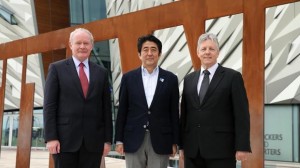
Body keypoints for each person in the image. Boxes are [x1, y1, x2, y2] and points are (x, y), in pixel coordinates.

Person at [43, 28, 112, 168]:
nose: (82, 46)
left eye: (86, 43)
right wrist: (51, 138)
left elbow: (106, 108)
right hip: (64, 142)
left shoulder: (102, 73)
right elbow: (50, 106)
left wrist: (107, 140)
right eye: (78, 43)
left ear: (91, 46)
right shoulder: (56, 69)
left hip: (93, 143)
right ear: (71, 45)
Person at [179, 33, 251, 168]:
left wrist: (242, 146)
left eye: (211, 49)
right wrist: (182, 145)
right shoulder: (189, 79)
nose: (207, 52)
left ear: (218, 53)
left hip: (222, 150)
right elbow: (185, 115)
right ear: (197, 53)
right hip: (193, 150)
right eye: (203, 49)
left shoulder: (232, 77)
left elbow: (241, 114)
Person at [115, 34, 179, 168]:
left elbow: (173, 113)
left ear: (159, 54)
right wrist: (119, 140)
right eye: (145, 49)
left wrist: (174, 142)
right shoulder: (128, 78)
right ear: (139, 54)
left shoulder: (170, 79)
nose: (149, 53)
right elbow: (122, 111)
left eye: (153, 49)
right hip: (133, 138)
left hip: (161, 139)